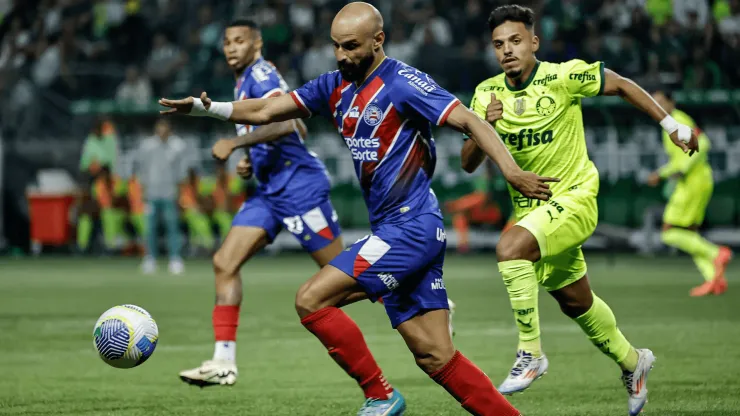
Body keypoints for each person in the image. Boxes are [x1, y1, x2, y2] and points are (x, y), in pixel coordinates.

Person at [161, 3, 554, 415]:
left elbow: (472, 121)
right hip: (397, 228)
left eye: (351, 46)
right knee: (435, 357)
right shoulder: (334, 85)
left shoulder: (402, 82)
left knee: (311, 299)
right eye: (336, 46)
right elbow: (266, 110)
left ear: (377, 40)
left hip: (409, 229)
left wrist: (511, 171)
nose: (342, 55)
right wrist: (208, 109)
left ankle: (380, 394)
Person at [461, 5, 698, 415]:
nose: (507, 51)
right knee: (575, 302)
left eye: (516, 41)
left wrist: (671, 126)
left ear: (533, 42)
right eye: (499, 44)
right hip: (535, 214)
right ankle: (633, 361)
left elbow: (622, 85)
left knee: (509, 248)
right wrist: (487, 126)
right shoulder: (486, 93)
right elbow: (467, 163)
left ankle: (530, 353)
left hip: (574, 198)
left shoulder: (562, 76)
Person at [178, 19, 347, 387]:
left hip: (299, 187)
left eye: (239, 41)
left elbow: (290, 123)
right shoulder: (244, 80)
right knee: (225, 262)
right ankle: (223, 362)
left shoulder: (263, 75)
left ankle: (421, 298)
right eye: (226, 41)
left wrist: (236, 144)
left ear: (256, 44)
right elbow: (279, 130)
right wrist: (251, 158)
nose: (231, 47)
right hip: (269, 191)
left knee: (346, 275)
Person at [648, 89, 732, 296]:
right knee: (689, 234)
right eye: (653, 102)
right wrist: (663, 173)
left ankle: (716, 253)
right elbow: (679, 159)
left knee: (669, 231)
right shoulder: (667, 124)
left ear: (671, 102)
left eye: (660, 102)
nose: (656, 106)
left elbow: (702, 143)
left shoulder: (677, 119)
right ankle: (714, 279)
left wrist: (681, 170)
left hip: (693, 181)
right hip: (696, 180)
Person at [134, 118, 187, 275]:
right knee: (150, 228)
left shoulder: (178, 146)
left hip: (170, 193)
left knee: (172, 227)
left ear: (170, 129)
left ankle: (175, 259)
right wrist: (142, 192)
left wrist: (180, 194)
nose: (162, 132)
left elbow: (181, 173)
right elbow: (142, 170)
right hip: (152, 193)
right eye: (159, 128)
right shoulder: (147, 146)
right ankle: (150, 259)